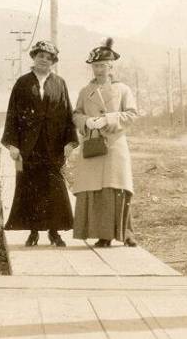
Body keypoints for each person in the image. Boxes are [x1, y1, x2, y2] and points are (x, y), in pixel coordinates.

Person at [1, 40, 79, 247]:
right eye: (40, 56)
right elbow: (13, 115)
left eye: (48, 57)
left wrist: (70, 141)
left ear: (53, 61)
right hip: (29, 145)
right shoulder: (22, 83)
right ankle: (34, 231)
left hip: (53, 145)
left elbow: (66, 112)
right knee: (31, 187)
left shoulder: (59, 83)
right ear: (34, 57)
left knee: (54, 187)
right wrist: (12, 144)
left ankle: (54, 232)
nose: (44, 60)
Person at [70, 38, 139, 248]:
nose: (99, 70)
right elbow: (76, 114)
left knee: (116, 187)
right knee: (94, 189)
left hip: (114, 144)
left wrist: (108, 119)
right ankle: (102, 234)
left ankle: (125, 233)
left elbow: (132, 114)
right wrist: (86, 121)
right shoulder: (85, 91)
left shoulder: (123, 90)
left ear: (111, 67)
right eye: (95, 66)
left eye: (102, 66)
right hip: (93, 144)